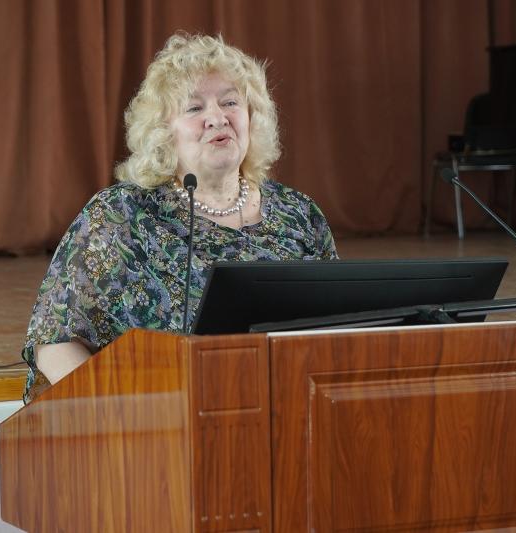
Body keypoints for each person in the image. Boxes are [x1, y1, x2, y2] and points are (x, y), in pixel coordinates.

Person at [21, 33, 337, 403]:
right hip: (157, 424)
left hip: (287, 414)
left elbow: (337, 330)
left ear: (252, 117)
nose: (217, 118)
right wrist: (115, 415)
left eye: (230, 102)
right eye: (194, 108)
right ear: (164, 133)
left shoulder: (299, 214)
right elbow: (54, 342)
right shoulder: (121, 215)